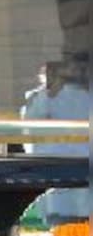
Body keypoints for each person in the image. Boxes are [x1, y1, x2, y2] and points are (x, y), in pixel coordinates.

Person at [23, 59, 91, 226]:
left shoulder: (82, 96)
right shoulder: (38, 97)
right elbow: (30, 127)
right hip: (54, 168)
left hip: (77, 167)